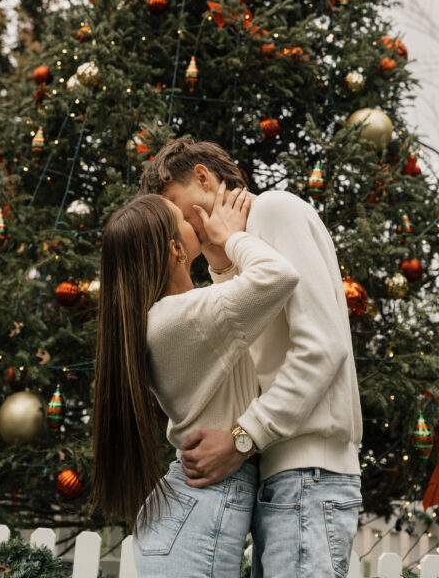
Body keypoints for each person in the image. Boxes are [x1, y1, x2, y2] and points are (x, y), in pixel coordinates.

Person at [140, 137, 363, 578]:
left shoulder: (274, 210)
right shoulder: (237, 247)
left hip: (310, 473)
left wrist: (243, 439)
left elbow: (323, 346)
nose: (181, 229)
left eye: (177, 208)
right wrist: (224, 262)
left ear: (203, 177)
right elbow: (248, 356)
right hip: (283, 475)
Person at [91, 186, 299, 577]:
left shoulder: (167, 319)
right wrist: (232, 238)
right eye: (184, 219)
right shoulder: (182, 318)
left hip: (189, 508)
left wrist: (221, 260)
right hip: (198, 510)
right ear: (176, 249)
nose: (195, 220)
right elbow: (278, 276)